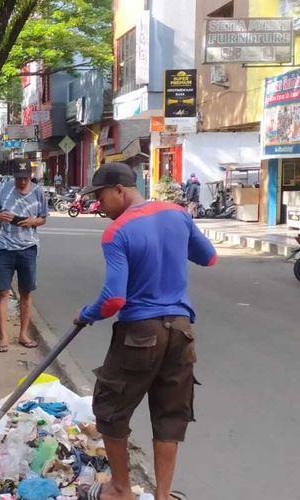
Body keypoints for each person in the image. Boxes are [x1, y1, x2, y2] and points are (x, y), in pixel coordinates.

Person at [74, 163, 217, 500]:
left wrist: (86, 314)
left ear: (120, 190)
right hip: (181, 330)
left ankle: (120, 489)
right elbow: (208, 257)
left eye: (101, 197)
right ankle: (163, 495)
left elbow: (114, 299)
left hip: (141, 331)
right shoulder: (178, 214)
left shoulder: (118, 232)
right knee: (169, 414)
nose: (98, 205)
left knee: (110, 409)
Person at [0, 159, 48, 352]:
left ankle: (23, 334)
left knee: (26, 292)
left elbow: (43, 218)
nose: (22, 182)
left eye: (25, 178)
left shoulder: (39, 192)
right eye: (19, 178)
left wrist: (32, 221)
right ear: (13, 177)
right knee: (2, 292)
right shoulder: (2, 189)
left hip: (28, 248)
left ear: (31, 176)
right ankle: (3, 337)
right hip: (4, 248)